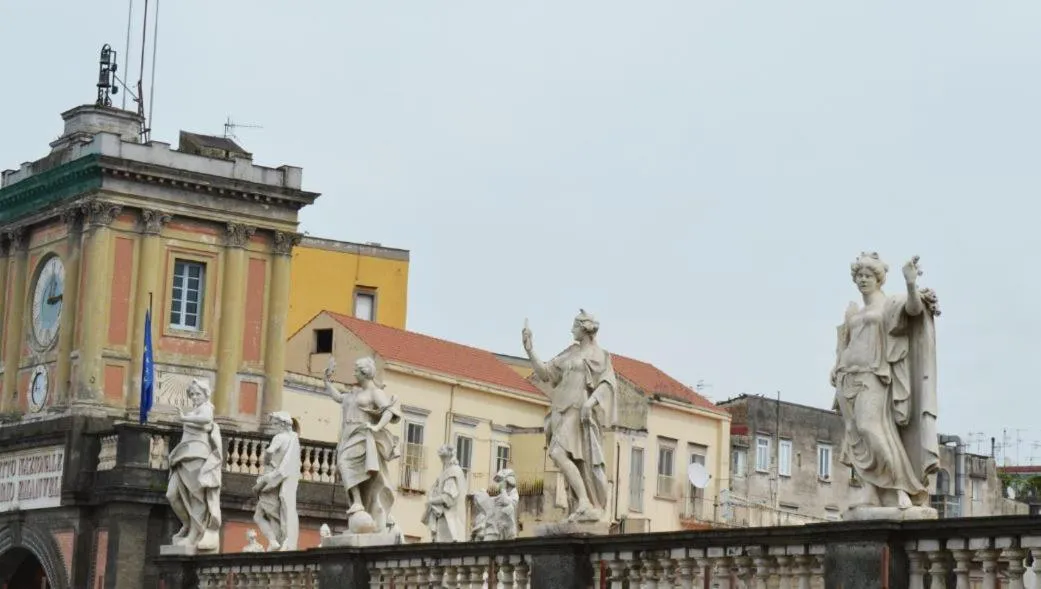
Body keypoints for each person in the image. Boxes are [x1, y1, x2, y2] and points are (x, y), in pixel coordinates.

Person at [831, 252, 940, 514]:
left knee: (873, 429)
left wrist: (911, 283)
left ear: (879, 278)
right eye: (859, 276)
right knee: (856, 436)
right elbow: (845, 344)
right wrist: (836, 366)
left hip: (874, 375)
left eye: (868, 275)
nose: (863, 280)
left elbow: (914, 310)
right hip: (847, 376)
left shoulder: (890, 304)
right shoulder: (854, 312)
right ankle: (872, 491)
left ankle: (902, 487)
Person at [522, 310, 617, 522]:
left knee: (557, 453)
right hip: (560, 411)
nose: (571, 329)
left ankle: (584, 500)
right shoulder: (570, 353)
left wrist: (591, 403)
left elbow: (607, 383)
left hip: (578, 410)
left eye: (575, 326)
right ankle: (581, 503)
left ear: (584, 329)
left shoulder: (600, 356)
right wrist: (530, 350)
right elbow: (546, 373)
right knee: (571, 458)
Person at [324, 357, 402, 531]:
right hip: (348, 435)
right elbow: (338, 397)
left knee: (345, 464)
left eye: (356, 370)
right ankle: (358, 504)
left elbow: (389, 411)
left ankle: (358, 503)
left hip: (362, 434)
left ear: (365, 373)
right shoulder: (354, 394)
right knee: (343, 465)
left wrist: (376, 427)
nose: (354, 373)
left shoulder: (374, 393)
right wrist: (327, 381)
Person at [166, 379, 223, 550]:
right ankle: (188, 524)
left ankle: (194, 536)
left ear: (206, 394)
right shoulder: (195, 411)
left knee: (197, 497)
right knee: (171, 495)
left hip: (198, 454)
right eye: (192, 394)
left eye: (198, 393)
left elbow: (207, 419)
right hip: (183, 455)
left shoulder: (207, 408)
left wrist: (184, 418)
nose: (195, 397)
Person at [252, 411, 301, 551]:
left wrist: (267, 457)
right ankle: (276, 541)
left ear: (282, 424)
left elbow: (270, 451)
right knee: (273, 515)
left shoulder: (279, 437)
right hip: (277, 480)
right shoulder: (292, 439)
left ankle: (274, 541)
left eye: (274, 423)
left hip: (270, 477)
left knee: (261, 516)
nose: (272, 426)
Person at [423, 445, 468, 542]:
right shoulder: (452, 472)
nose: (441, 461)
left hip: (449, 521)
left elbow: (448, 498)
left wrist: (431, 501)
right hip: (448, 519)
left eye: (442, 458)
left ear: (446, 458)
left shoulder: (451, 472)